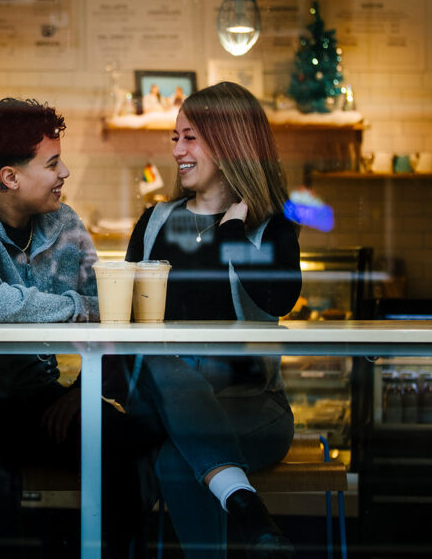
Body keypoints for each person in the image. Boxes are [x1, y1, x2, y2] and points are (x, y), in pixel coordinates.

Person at [0, 98, 156, 559]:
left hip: (30, 398)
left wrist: (78, 393)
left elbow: (109, 313)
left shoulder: (66, 224)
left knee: (131, 444)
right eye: (53, 163)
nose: (65, 173)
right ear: (10, 177)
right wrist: (76, 307)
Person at [124, 81, 302, 559]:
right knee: (159, 358)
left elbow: (280, 297)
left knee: (175, 464)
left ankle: (243, 508)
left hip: (252, 407)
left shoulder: (269, 227)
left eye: (190, 137)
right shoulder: (155, 222)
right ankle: (250, 513)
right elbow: (125, 323)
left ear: (229, 142)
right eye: (175, 137)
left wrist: (233, 233)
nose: (177, 149)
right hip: (163, 402)